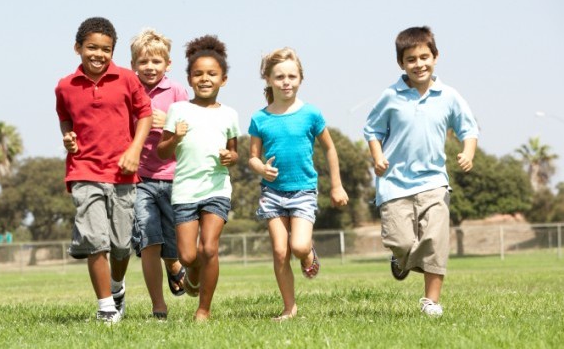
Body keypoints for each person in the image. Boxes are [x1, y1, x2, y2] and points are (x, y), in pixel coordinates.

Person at [363, 26, 478, 317]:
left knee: (435, 240)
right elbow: (372, 129)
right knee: (400, 241)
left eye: (424, 56)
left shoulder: (448, 96)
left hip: (434, 182)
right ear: (401, 63)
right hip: (394, 184)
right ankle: (401, 260)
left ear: (436, 57)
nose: (419, 64)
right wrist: (377, 158)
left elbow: (468, 128)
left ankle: (431, 300)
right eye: (411, 59)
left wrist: (467, 151)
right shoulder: (391, 96)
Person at [55, 17, 153, 324]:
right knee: (94, 240)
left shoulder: (126, 79)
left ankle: (116, 286)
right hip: (84, 170)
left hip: (122, 172)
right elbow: (65, 118)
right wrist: (68, 137)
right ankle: (105, 307)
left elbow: (145, 113)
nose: (98, 54)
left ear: (113, 51)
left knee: (122, 244)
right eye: (91, 48)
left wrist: (135, 150)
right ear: (78, 48)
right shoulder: (65, 86)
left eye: (106, 49)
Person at [248, 47, 349, 322]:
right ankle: (289, 308)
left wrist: (336, 186)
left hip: (303, 190)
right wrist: (260, 168)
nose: (286, 82)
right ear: (268, 79)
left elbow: (330, 149)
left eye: (292, 76)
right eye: (279, 76)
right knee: (280, 251)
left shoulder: (311, 114)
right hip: (272, 193)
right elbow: (253, 158)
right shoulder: (260, 118)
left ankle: (308, 255)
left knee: (299, 246)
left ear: (300, 79)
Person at [157, 35, 240, 321]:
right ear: (190, 79)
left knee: (209, 248)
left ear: (223, 79)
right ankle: (191, 277)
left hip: (217, 189)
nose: (205, 79)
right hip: (184, 191)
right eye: (198, 74)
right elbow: (162, 152)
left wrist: (231, 158)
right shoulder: (178, 110)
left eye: (212, 74)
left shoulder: (230, 115)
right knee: (189, 256)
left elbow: (234, 152)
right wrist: (175, 136)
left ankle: (203, 309)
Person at [129, 28, 189, 320]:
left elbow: (191, 129)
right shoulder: (129, 90)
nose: (149, 67)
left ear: (168, 64)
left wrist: (170, 122)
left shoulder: (177, 91)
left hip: (175, 176)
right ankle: (158, 306)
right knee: (148, 240)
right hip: (140, 180)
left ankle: (174, 265)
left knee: (174, 243)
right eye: (143, 62)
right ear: (133, 65)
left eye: (156, 62)